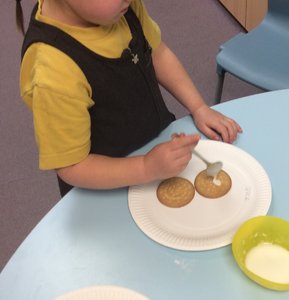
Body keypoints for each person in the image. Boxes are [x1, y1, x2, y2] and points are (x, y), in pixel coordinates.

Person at [16, 0, 242, 197]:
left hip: (154, 152)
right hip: (102, 188)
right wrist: (145, 168)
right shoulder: (53, 72)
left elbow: (156, 52)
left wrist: (199, 106)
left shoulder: (124, 8)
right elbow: (72, 166)